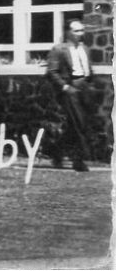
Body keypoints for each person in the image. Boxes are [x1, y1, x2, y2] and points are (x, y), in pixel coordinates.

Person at [45, 20, 102, 171]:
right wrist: (65, 87)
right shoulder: (59, 49)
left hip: (85, 87)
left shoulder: (85, 49)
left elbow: (88, 69)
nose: (80, 34)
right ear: (68, 32)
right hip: (70, 88)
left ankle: (55, 150)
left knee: (76, 125)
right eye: (76, 31)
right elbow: (51, 72)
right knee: (79, 124)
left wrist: (90, 85)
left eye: (81, 30)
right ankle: (78, 160)